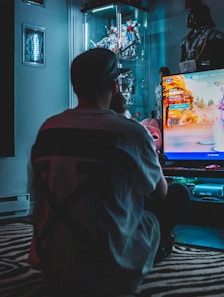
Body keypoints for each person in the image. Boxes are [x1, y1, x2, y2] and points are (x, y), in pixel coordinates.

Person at [27, 48, 190, 297]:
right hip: (110, 269)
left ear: (75, 85)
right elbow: (160, 193)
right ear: (115, 85)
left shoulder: (47, 128)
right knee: (179, 192)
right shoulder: (130, 132)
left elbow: (37, 196)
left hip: (51, 263)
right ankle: (151, 251)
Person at [180, 3, 224, 72]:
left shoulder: (215, 36)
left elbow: (222, 62)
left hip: (209, 75)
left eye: (195, 13)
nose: (191, 17)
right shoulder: (185, 40)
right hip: (189, 77)